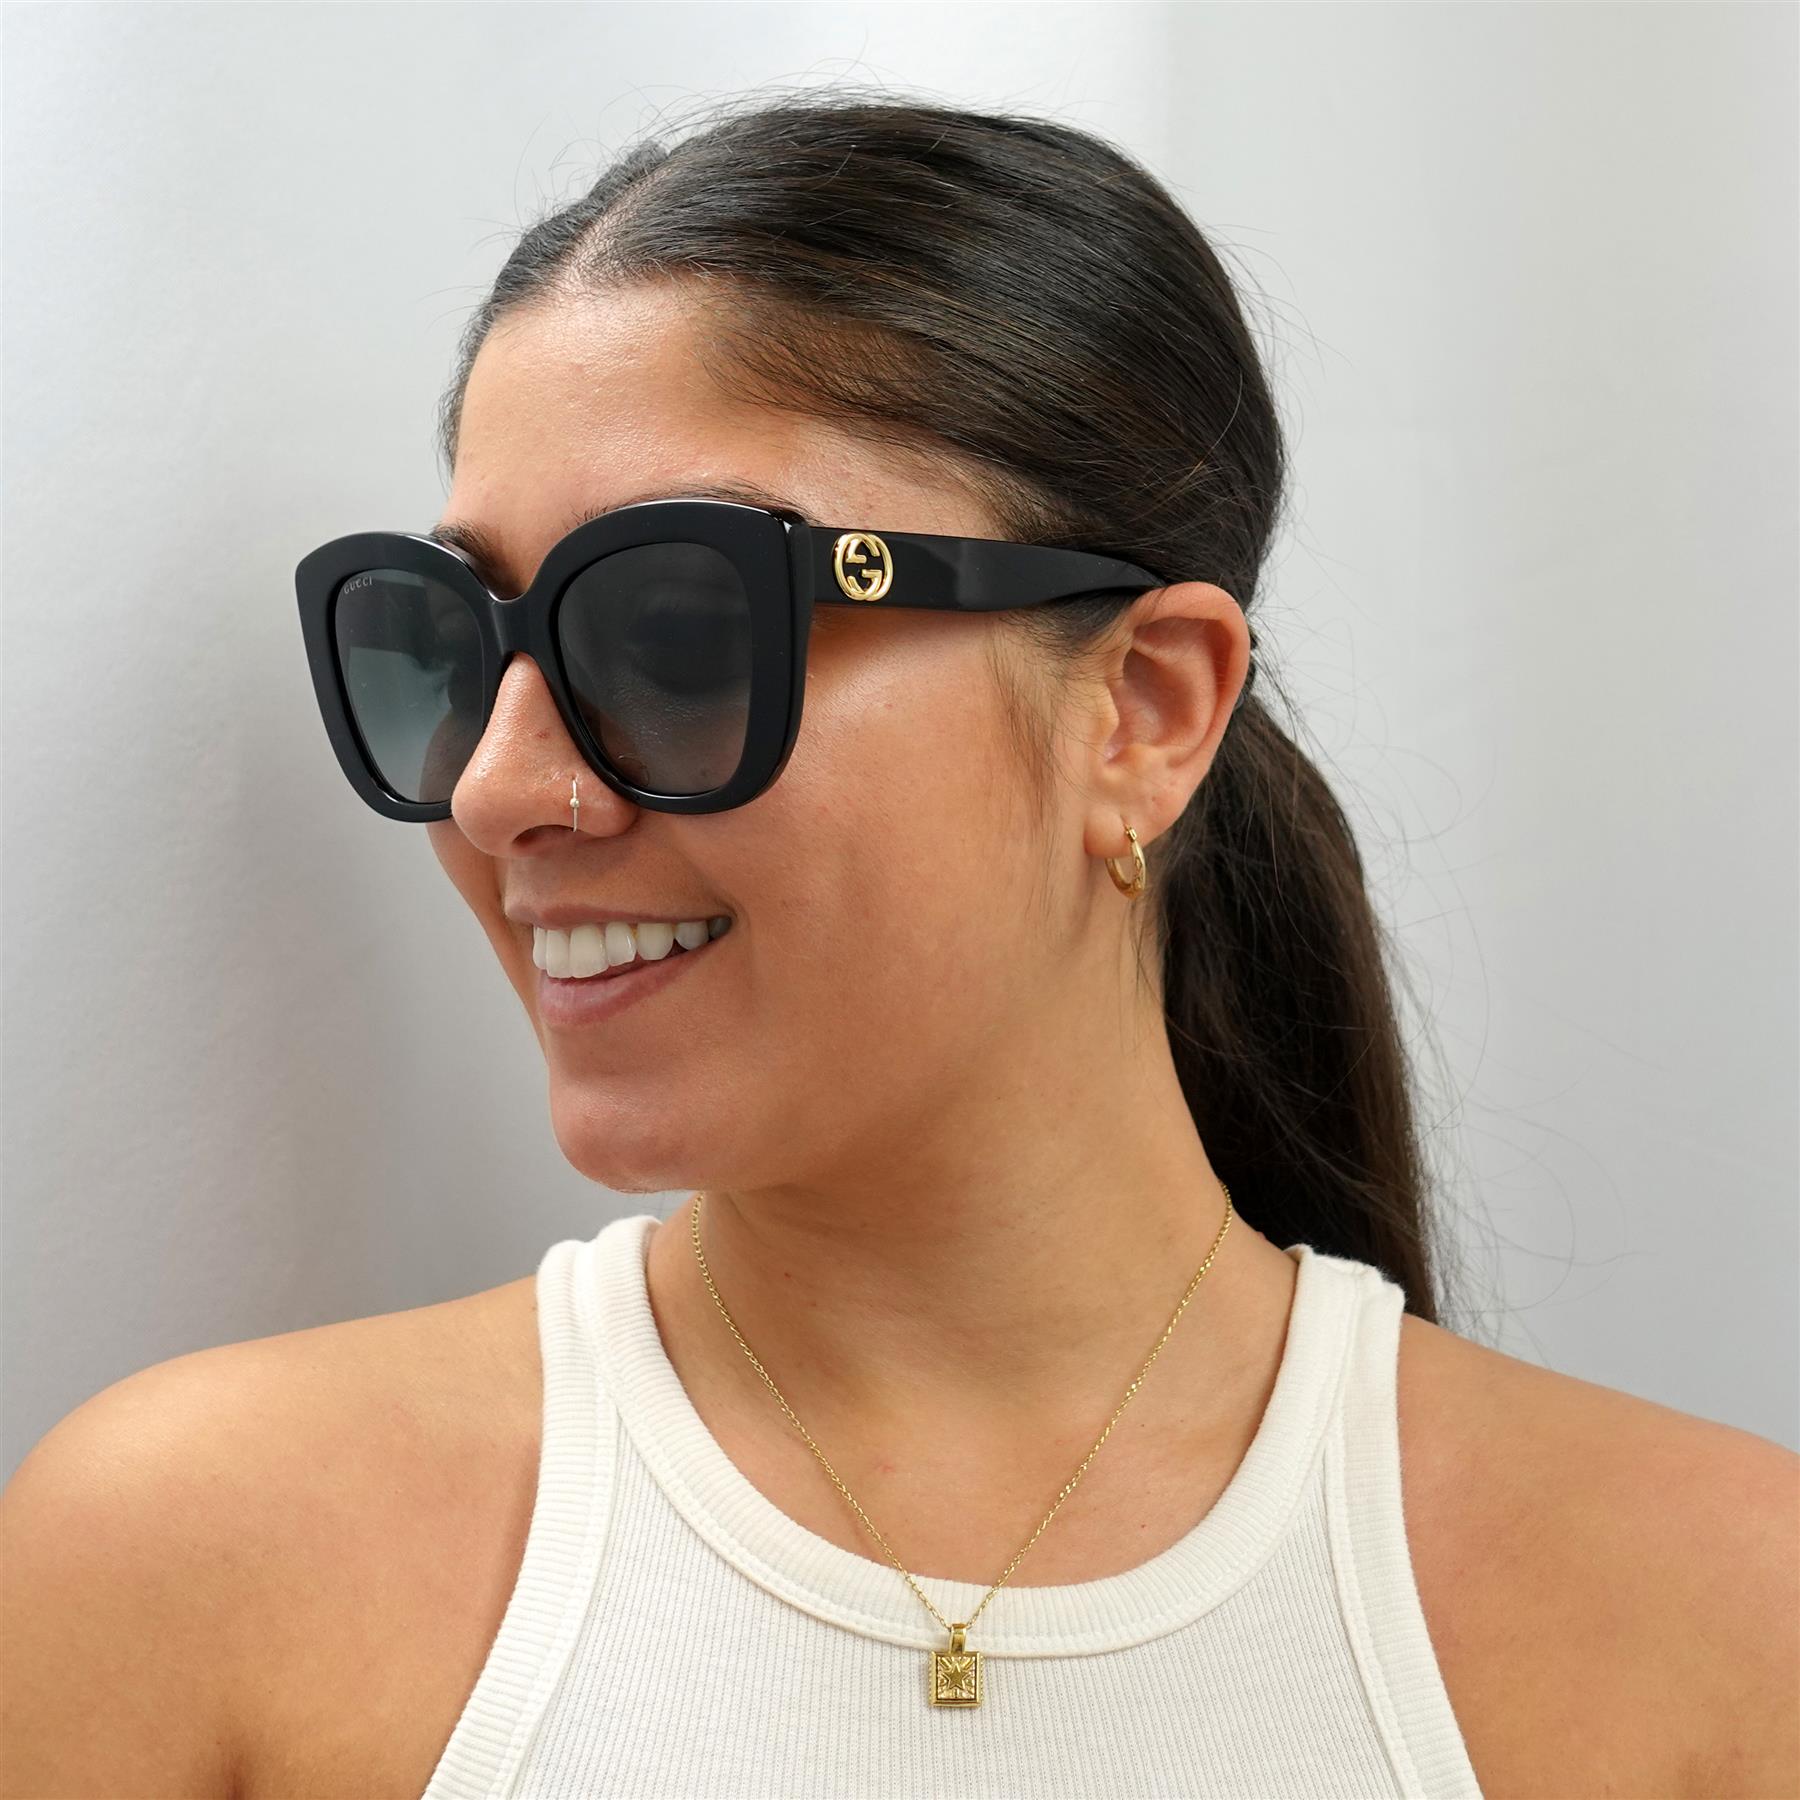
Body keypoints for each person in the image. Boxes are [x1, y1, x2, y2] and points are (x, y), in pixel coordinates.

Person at [4, 90, 1795, 1800]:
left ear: (1145, 713)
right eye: (455, 643)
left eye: (677, 631)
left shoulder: (1723, 1619)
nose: (498, 789)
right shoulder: (185, 1565)